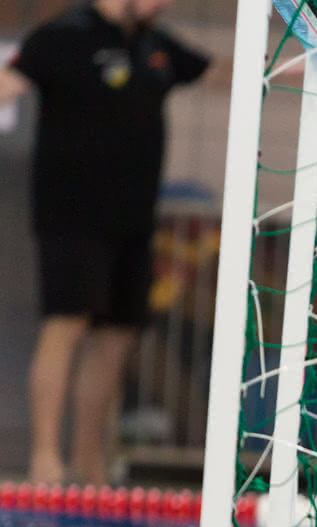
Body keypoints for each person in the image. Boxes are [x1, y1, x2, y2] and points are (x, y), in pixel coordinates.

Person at [1, 0, 224, 484]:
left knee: (116, 337)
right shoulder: (64, 35)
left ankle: (88, 459)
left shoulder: (153, 43)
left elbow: (219, 74)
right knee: (66, 325)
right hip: (71, 218)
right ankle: (44, 458)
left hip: (134, 220)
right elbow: (7, 85)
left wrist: (306, 65)